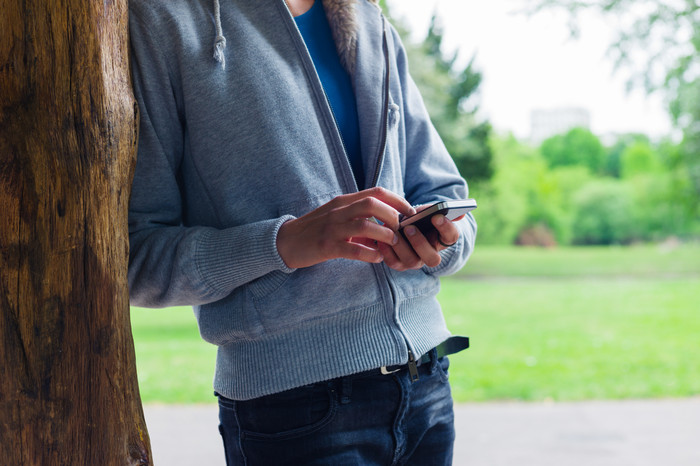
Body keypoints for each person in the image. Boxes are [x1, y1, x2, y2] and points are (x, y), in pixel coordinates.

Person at [128, 0, 477, 463]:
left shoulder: (368, 20)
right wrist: (285, 243)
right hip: (293, 407)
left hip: (426, 385)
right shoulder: (164, 18)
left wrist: (438, 244)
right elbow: (138, 258)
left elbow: (450, 197)